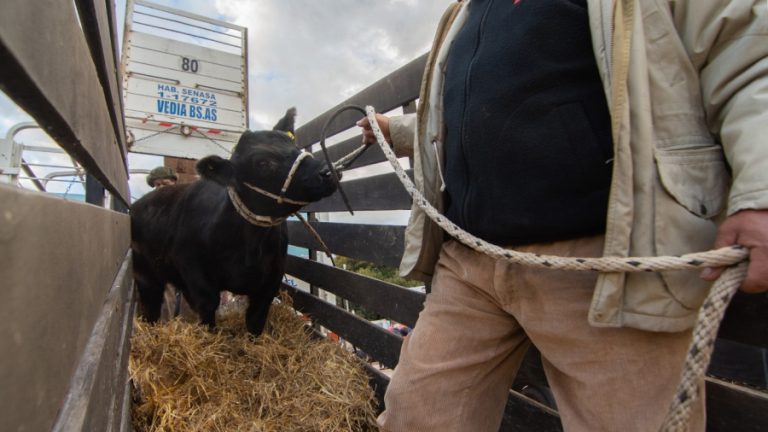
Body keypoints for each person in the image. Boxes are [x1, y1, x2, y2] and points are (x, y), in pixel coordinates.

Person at [357, 1, 768, 431]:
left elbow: (745, 50)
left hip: (605, 263)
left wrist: (761, 190)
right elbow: (472, 109)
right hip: (468, 263)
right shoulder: (465, 10)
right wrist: (398, 132)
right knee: (414, 416)